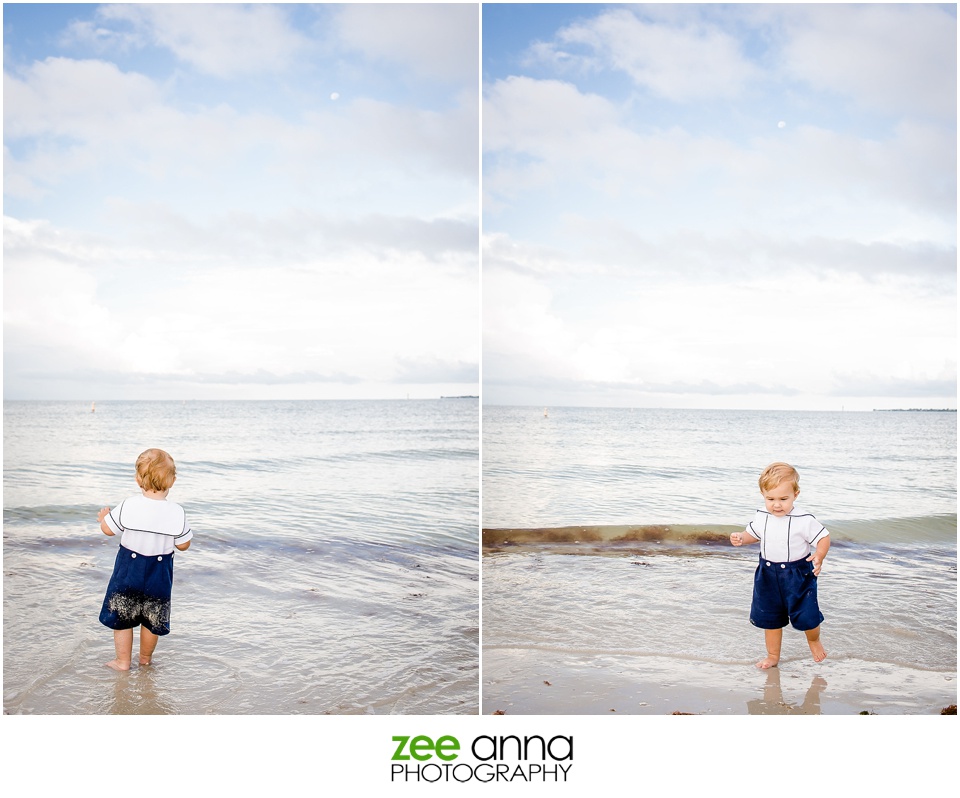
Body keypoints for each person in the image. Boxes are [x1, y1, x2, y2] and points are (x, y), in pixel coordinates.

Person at [98, 448, 193, 671]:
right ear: (173, 481)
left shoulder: (129, 505)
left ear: (138, 479)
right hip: (158, 576)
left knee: (122, 616)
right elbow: (184, 544)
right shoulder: (176, 512)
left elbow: (108, 530)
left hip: (128, 571)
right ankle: (145, 659)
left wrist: (104, 518)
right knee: (151, 619)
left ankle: (122, 662)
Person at [730, 462, 830, 669]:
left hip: (798, 574)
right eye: (771, 499)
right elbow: (754, 535)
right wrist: (742, 537)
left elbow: (823, 538)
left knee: (807, 615)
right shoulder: (762, 516)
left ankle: (813, 640)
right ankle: (773, 656)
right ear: (763, 494)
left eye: (784, 499)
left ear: (796, 494)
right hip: (767, 573)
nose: (777, 505)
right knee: (770, 618)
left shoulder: (804, 519)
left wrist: (819, 555)